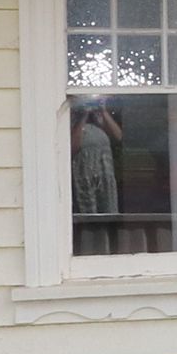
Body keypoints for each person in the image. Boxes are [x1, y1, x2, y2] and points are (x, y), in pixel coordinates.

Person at [74, 97, 126, 253]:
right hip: (84, 178)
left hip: (105, 177)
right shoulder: (72, 121)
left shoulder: (99, 120)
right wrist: (83, 116)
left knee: (108, 218)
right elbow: (73, 146)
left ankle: (109, 251)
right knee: (89, 223)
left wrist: (103, 112)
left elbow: (118, 137)